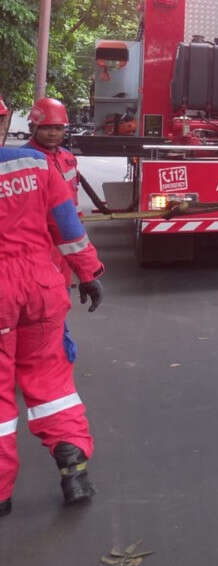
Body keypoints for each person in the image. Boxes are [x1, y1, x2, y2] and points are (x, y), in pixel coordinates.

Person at [0, 93, 105, 517]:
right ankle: (73, 464)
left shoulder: (49, 159)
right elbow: (68, 226)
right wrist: (90, 272)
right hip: (41, 286)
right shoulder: (35, 165)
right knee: (51, 382)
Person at [21, 97, 82, 288]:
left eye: (58, 128)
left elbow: (73, 198)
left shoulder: (68, 158)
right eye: (46, 128)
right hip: (36, 241)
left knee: (62, 296)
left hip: (64, 238)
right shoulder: (23, 160)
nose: (52, 133)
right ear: (33, 129)